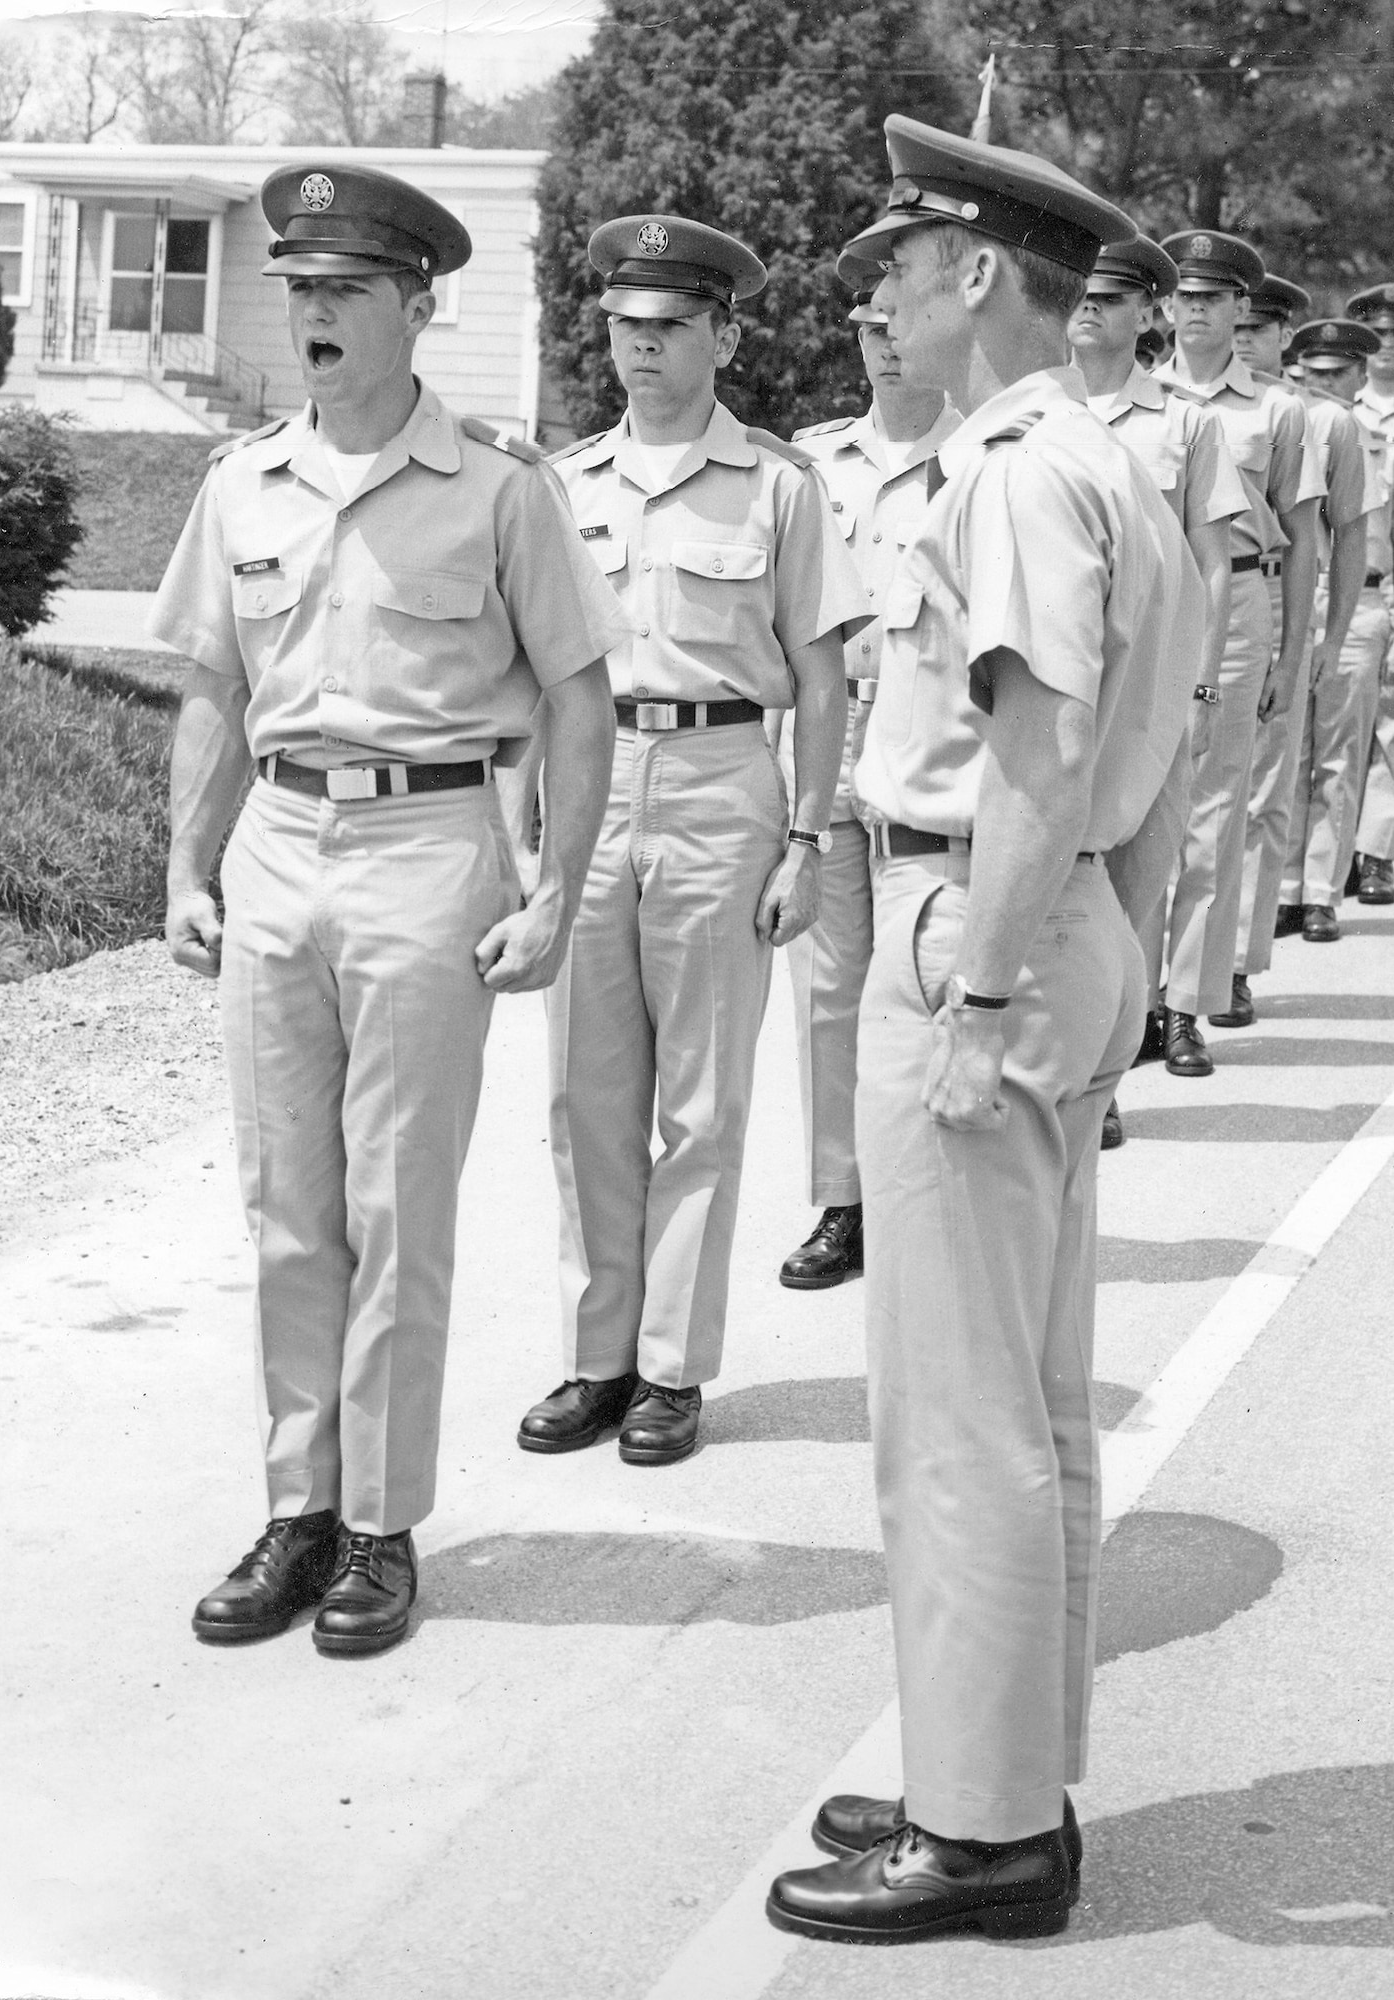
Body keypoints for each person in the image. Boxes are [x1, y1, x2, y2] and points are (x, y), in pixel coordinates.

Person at [765, 118, 1202, 1945]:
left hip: (978, 919)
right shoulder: (1094, 460)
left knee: (956, 1419)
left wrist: (988, 988)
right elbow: (1148, 764)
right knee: (1024, 1403)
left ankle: (981, 1835)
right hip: (1060, 915)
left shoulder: (1013, 471)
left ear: (971, 276)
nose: (870, 289)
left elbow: (1030, 755)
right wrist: (1109, 959)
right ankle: (995, 1770)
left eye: (895, 260)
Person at [157, 164, 625, 1656]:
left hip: (431, 847)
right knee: (286, 1210)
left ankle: (379, 1525)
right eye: (298, 289)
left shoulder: (498, 485)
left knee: (392, 1206)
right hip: (280, 849)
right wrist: (185, 864)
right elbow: (214, 691)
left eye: (346, 291)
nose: (314, 314)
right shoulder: (241, 481)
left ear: (418, 309)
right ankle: (297, 1513)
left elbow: (576, 693)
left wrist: (555, 883)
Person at [517, 215, 869, 1466]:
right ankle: (595, 1356)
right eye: (625, 327)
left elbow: (821, 679)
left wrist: (807, 836)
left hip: (725, 781)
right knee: (581, 1093)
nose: (643, 349)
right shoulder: (563, 484)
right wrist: (530, 828)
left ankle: (671, 1366)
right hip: (592, 779)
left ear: (725, 333)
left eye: (669, 326)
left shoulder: (779, 486)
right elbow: (536, 671)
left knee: (702, 1101)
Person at [776, 293, 962, 1284]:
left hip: (923, 728)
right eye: (866, 328)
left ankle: (921, 1187)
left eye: (900, 325)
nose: (884, 345)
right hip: (824, 730)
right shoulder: (814, 462)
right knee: (827, 986)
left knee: (923, 969)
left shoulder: (977, 460)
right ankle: (841, 1198)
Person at [1066, 235, 1243, 1146]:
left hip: (1145, 695)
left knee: (1134, 887)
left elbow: (1214, 566)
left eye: (1112, 296)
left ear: (1151, 315)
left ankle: (1101, 1078)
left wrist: (1202, 690)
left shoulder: (1182, 424)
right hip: (1047, 686)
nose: (1089, 308)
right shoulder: (1027, 411)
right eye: (1081, 293)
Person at [1147, 232, 1322, 1076]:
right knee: (1137, 805)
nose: (1195, 311)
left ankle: (1185, 1003)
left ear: (1239, 309)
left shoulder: (1275, 410)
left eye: (1212, 299)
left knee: (1216, 814)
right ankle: (1133, 999)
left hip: (1242, 599)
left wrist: (1291, 656)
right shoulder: (1137, 396)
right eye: (1183, 296)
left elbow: (1303, 535)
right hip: (1151, 603)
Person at [1261, 316, 1385, 947]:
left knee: (1336, 753)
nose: (1325, 382)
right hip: (1278, 604)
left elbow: (1352, 538)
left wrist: (1334, 638)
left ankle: (1319, 892)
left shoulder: (1336, 425)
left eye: (1339, 373)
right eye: (1317, 373)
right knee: (1288, 756)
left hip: (1345, 602)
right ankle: (1283, 889)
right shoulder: (1269, 415)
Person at [1347, 282, 1394, 905]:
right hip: (1349, 587)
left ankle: (1377, 851)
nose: (1387, 349)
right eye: (1378, 337)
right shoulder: (1337, 407)